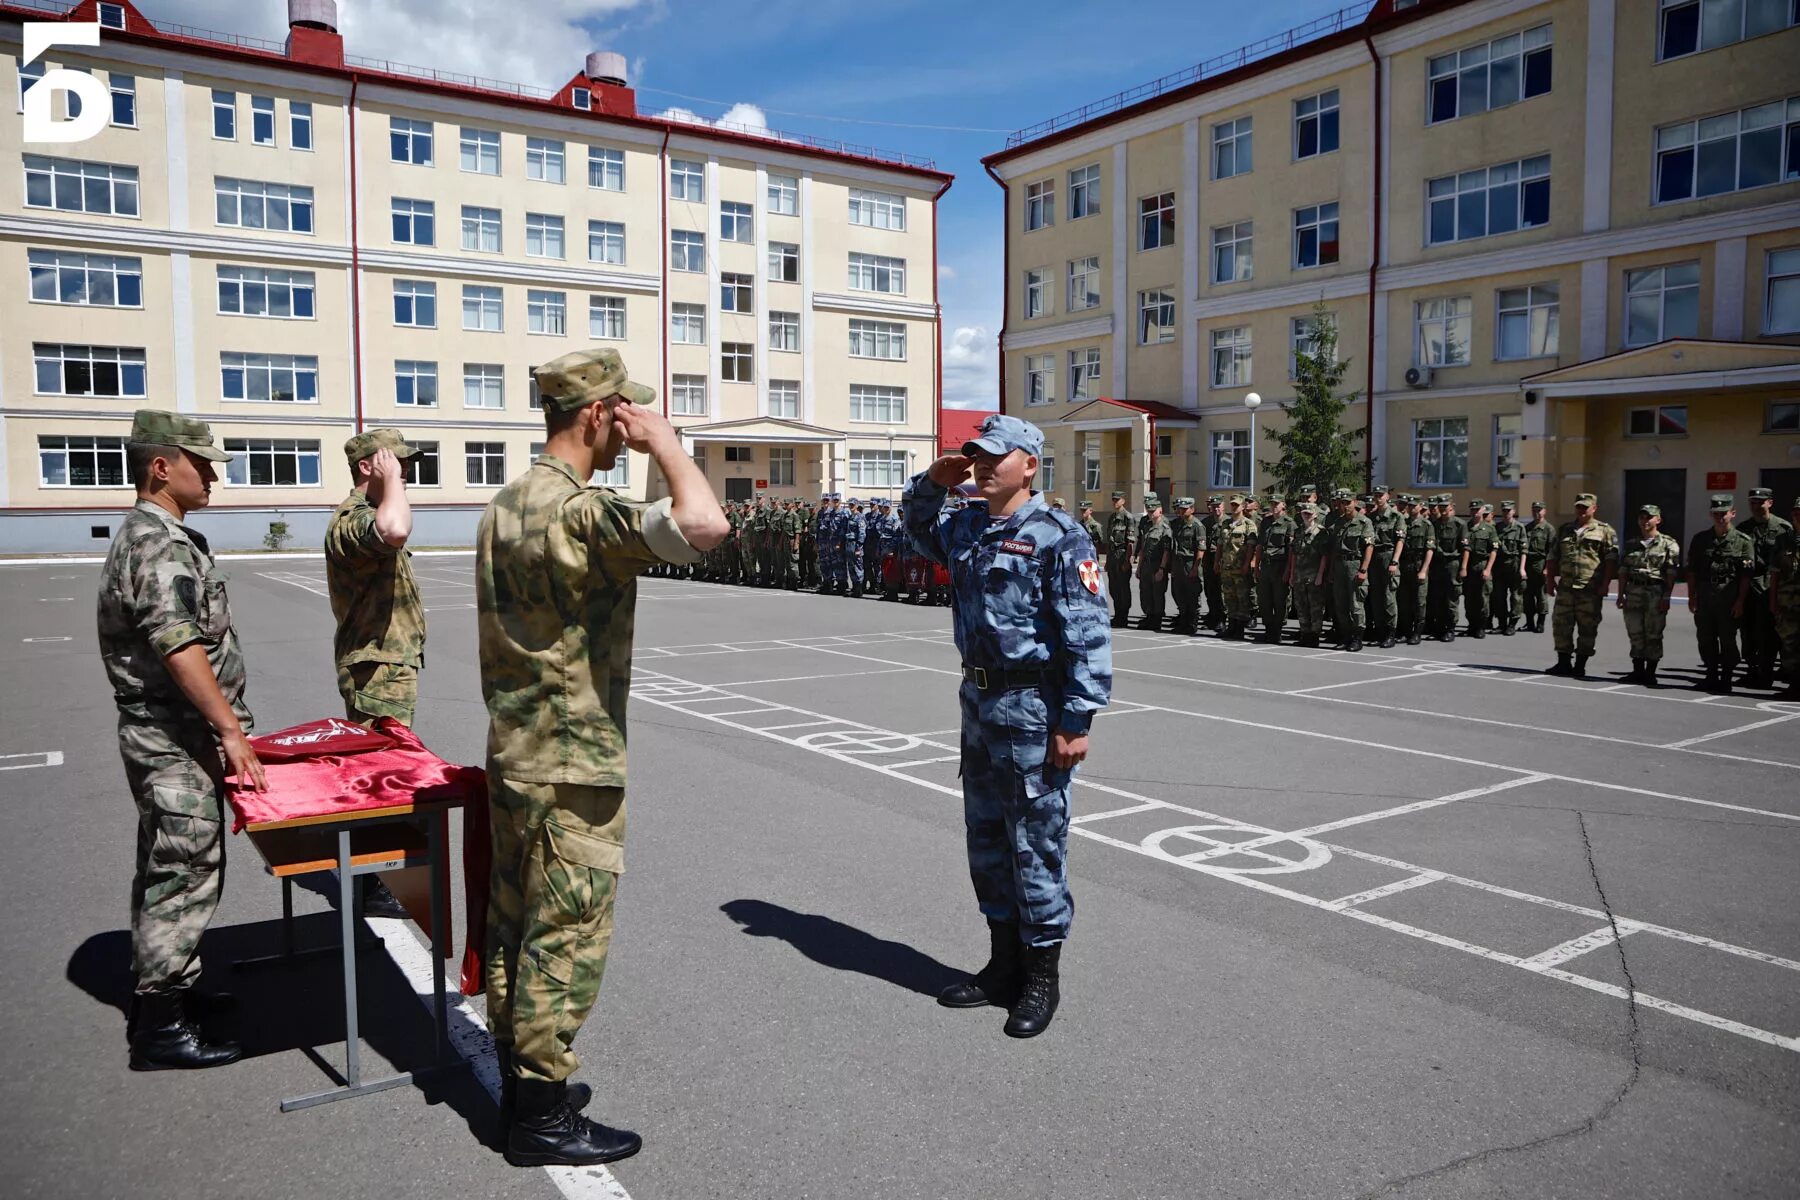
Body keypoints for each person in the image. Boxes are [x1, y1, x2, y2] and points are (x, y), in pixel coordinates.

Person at [477, 348, 727, 1166]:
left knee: (515, 926)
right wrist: (667, 445)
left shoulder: (506, 503)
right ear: (596, 414)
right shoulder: (580, 511)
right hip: (572, 762)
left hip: (515, 752)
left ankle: (521, 1083)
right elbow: (704, 526)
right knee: (567, 935)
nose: (630, 426)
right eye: (624, 413)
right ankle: (542, 1116)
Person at [904, 414, 1111, 1039]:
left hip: (1033, 709)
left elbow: (1087, 632)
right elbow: (915, 532)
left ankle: (1041, 976)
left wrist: (1076, 718)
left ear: (1030, 464)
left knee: (1037, 844)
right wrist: (932, 483)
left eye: (998, 455)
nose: (984, 464)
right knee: (987, 840)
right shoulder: (966, 524)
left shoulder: (1057, 535)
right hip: (979, 704)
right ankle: (1001, 966)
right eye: (977, 455)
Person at [100, 410, 268, 1071]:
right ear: (160, 467)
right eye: (203, 463)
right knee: (183, 870)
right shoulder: (155, 544)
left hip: (178, 735)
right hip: (171, 735)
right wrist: (230, 731)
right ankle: (160, 1026)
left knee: (178, 864)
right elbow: (177, 643)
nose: (214, 474)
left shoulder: (168, 536)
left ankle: (175, 990)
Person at [324, 427, 427, 921]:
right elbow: (395, 531)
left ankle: (374, 875)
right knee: (377, 778)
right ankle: (372, 883)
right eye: (397, 463)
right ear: (369, 466)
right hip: (375, 671)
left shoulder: (369, 513)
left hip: (387, 667)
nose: (406, 471)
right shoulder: (353, 520)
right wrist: (393, 485)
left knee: (386, 774)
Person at [1545, 492, 1618, 679]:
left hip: (1590, 589)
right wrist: (1550, 580)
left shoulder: (1604, 531)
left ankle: (1580, 665)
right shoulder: (1565, 530)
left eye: (1585, 507)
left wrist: (1605, 584)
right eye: (1579, 506)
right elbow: (1553, 556)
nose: (1581, 510)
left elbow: (1610, 559)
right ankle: (1563, 663)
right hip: (1566, 588)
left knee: (1588, 627)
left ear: (1594, 508)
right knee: (1561, 625)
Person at [1687, 494, 1754, 694]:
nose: (1720, 517)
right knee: (1705, 637)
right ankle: (1710, 675)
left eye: (1724, 513)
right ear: (1711, 514)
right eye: (1716, 513)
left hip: (1729, 596)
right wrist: (1692, 596)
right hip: (1705, 595)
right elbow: (1692, 571)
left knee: (1727, 638)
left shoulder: (1743, 541)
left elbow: (1746, 576)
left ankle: (1726, 677)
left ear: (1732, 514)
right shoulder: (1701, 539)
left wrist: (1740, 601)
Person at [1617, 503, 1682, 687]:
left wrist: (1667, 596)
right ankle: (1637, 671)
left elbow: (1671, 573)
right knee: (1635, 632)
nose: (1645, 521)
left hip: (1655, 592)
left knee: (1653, 633)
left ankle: (1650, 673)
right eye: (1642, 517)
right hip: (1634, 591)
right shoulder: (1631, 544)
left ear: (1658, 520)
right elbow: (1623, 571)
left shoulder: (1668, 544)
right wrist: (1621, 595)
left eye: (1649, 517)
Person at [1737, 487, 1793, 688]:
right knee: (1747, 631)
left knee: (1768, 634)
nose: (1756, 506)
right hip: (1748, 586)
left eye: (1760, 502)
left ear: (1770, 502)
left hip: (1771, 586)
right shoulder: (1744, 528)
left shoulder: (1783, 528)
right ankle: (1752, 670)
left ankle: (1767, 673)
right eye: (1752, 502)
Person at [1326, 488, 1374, 651]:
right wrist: (1331, 569)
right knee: (1340, 604)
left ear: (1354, 503)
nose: (1344, 506)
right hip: (1340, 565)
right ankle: (1345, 636)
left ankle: (1357, 637)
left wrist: (1364, 569)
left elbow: (1369, 547)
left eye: (1348, 503)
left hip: (1355, 565)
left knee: (1356, 604)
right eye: (1342, 503)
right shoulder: (1338, 523)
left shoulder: (1364, 522)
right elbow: (1334, 549)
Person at [1214, 495, 1257, 640]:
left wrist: (1247, 564)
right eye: (1232, 505)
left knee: (1242, 599)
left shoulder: (1248, 525)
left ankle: (1239, 629)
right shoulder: (1226, 524)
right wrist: (1216, 562)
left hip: (1240, 568)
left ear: (1243, 507)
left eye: (1237, 505)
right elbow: (1220, 545)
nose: (1234, 507)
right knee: (1229, 598)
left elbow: (1251, 547)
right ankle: (1231, 627)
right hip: (1226, 568)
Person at [1253, 496, 1296, 645]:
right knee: (1264, 600)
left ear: (1283, 505)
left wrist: (1288, 571)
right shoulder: (1266, 522)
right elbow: (1259, 546)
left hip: (1280, 565)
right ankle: (1268, 629)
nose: (1274, 506)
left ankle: (1277, 631)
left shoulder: (1289, 524)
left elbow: (1291, 550)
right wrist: (1257, 566)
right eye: (1272, 504)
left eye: (1276, 504)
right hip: (1266, 565)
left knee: (1280, 600)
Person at [1288, 502, 1330, 648]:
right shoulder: (1298, 531)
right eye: (1304, 513)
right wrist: (1292, 574)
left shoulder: (1321, 532)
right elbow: (1294, 554)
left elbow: (1324, 556)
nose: (1306, 515)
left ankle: (1314, 636)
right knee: (1301, 606)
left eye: (1309, 513)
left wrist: (1320, 575)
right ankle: (1304, 634)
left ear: (1315, 515)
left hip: (1313, 576)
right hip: (1299, 575)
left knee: (1315, 607)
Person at [1770, 496, 1800, 695]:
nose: (1799, 517)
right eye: (1797, 513)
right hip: (1788, 602)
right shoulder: (1783, 540)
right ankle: (1795, 683)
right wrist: (1773, 601)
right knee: (1789, 645)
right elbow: (1774, 574)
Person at [1397, 494, 1434, 645]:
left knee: (1419, 602)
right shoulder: (1403, 522)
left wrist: (1424, 570)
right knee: (1404, 601)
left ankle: (1417, 632)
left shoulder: (1426, 525)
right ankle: (1405, 631)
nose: (1411, 508)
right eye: (1409, 506)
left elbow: (1429, 549)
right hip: (1405, 565)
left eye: (1414, 505)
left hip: (1419, 565)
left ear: (1420, 507)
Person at [1135, 494, 1172, 631]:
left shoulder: (1165, 527)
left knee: (1157, 593)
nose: (1150, 513)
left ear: (1160, 510)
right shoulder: (1147, 526)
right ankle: (1149, 616)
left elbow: (1166, 551)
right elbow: (1143, 549)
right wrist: (1139, 567)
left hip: (1157, 564)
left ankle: (1157, 619)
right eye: (1148, 511)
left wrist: (1162, 569)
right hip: (1146, 564)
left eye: (1153, 511)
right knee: (1145, 592)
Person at [1168, 498, 1204, 635]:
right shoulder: (1176, 524)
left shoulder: (1197, 526)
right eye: (1180, 509)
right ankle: (1183, 621)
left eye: (1185, 509)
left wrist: (1195, 567)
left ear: (1192, 509)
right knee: (1178, 593)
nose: (1182, 511)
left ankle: (1192, 623)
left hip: (1190, 563)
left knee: (1192, 595)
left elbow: (1201, 549)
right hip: (1178, 563)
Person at [1462, 499, 1496, 638]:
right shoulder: (1466, 527)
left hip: (1482, 565)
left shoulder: (1489, 528)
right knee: (1469, 599)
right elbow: (1464, 548)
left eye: (1477, 509)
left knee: (1483, 599)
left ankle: (1481, 626)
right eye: (1472, 510)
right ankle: (1472, 625)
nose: (1475, 512)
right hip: (1470, 567)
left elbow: (1494, 550)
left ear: (1482, 510)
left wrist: (1488, 569)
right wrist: (1463, 567)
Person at [1492, 500, 1525, 635]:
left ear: (1514, 511)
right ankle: (1502, 623)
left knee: (1516, 596)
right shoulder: (1497, 527)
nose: (1506, 513)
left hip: (1514, 564)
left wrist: (1522, 568)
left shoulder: (1519, 528)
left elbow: (1524, 550)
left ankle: (1512, 623)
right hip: (1499, 565)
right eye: (1504, 510)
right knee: (1499, 596)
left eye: (1509, 510)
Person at [1104, 491, 1136, 628]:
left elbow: (1130, 542)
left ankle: (1124, 616)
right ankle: (1117, 615)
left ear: (1123, 501)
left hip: (1122, 556)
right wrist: (1106, 560)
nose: (1115, 502)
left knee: (1123, 588)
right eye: (1113, 500)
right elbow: (1109, 541)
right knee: (1113, 588)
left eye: (1118, 500)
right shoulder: (1112, 517)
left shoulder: (1128, 517)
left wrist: (1127, 560)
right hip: (1112, 558)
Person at [1522, 499, 1553, 633]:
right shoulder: (1527, 528)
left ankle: (1541, 623)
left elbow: (1551, 551)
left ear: (1544, 511)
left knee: (1541, 595)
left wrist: (1547, 568)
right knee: (1527, 596)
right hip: (1528, 563)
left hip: (1541, 564)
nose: (1536, 513)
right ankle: (1529, 622)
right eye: (1534, 510)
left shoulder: (1548, 529)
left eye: (1539, 510)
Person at [1199, 496, 1225, 630]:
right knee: (1210, 591)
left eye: (1218, 506)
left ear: (1223, 506)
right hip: (1208, 560)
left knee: (1222, 592)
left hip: (1222, 561)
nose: (1216, 509)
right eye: (1213, 506)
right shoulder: (1206, 522)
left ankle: (1222, 619)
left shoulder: (1228, 522)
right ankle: (1213, 616)